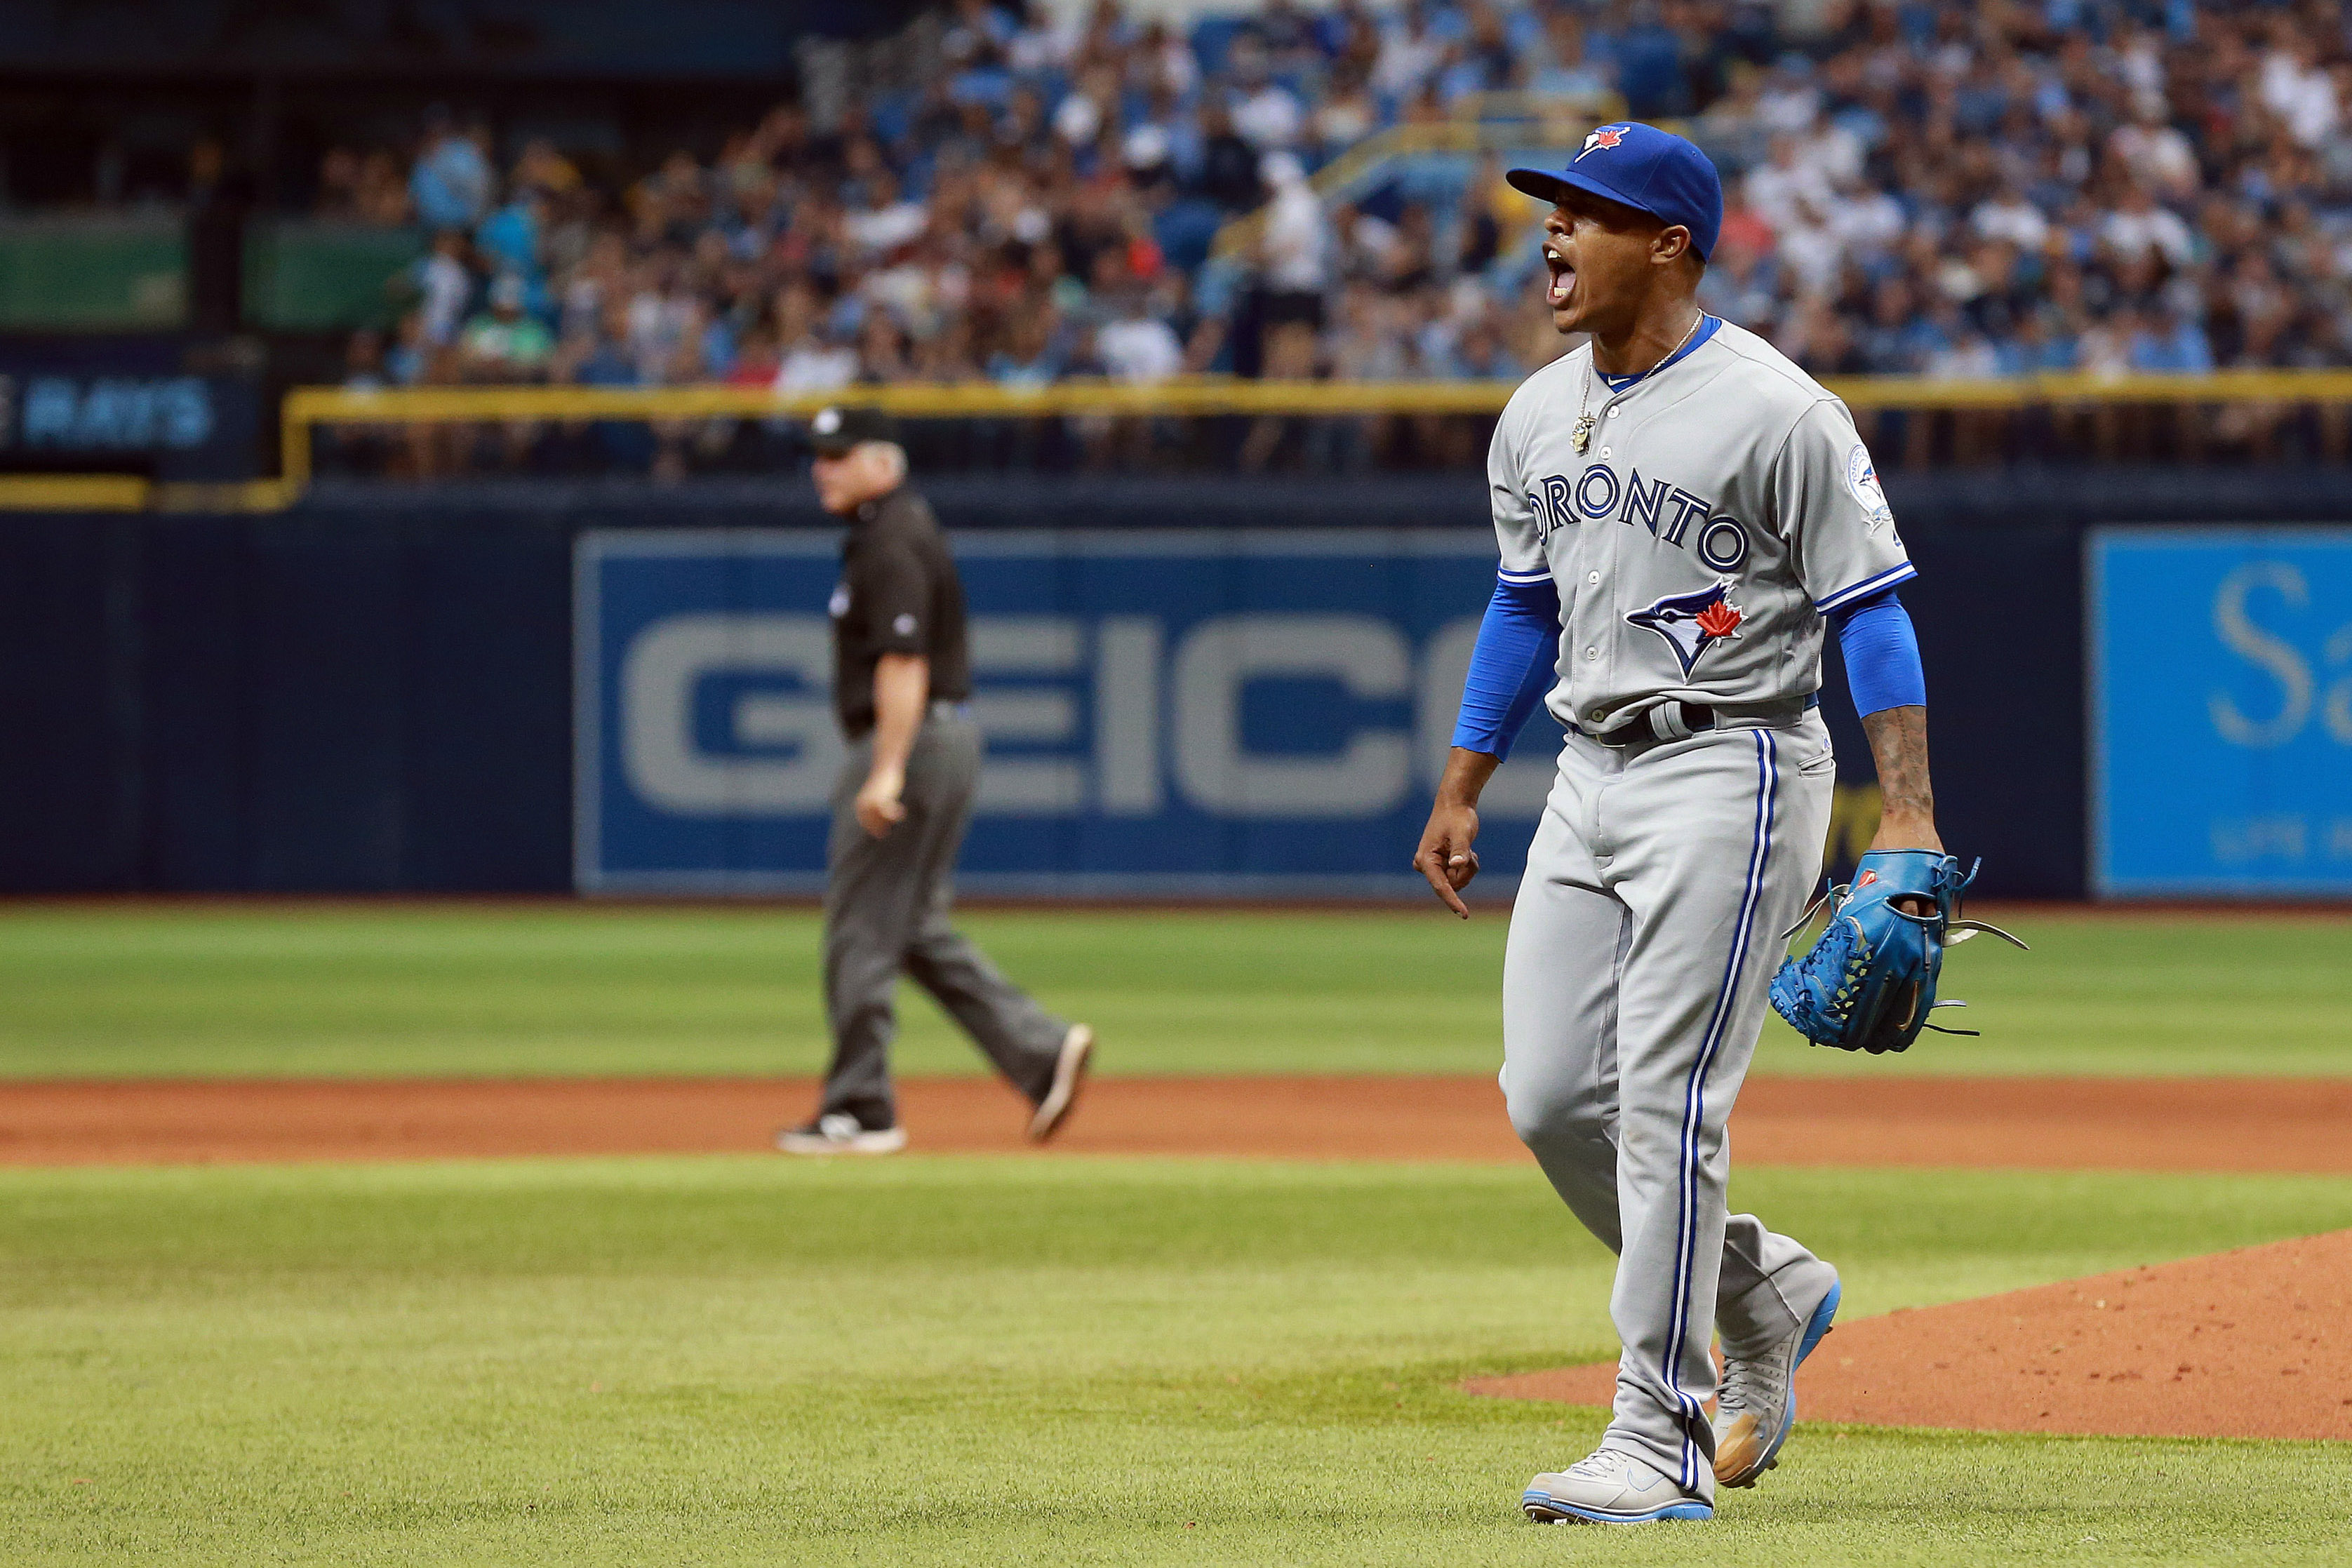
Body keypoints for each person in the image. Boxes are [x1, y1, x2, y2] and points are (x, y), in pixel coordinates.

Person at [1412, 123, 1939, 1525]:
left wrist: (1907, 818)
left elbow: (1867, 612)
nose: (1551, 235)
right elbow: (1526, 599)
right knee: (1548, 1097)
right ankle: (1767, 1289)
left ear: (1670, 244)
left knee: (1665, 1103)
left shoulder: (1777, 411)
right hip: (1589, 770)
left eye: (1585, 213)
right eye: (1549, 211)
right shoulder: (1535, 413)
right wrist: (1466, 776)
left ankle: (1657, 1432)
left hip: (1739, 765)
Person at [779, 406, 1096, 1155]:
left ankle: (861, 1107)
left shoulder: (890, 540)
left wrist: (886, 770)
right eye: (818, 455)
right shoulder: (893, 529)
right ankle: (1040, 1051)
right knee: (911, 926)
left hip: (911, 744)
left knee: (860, 925)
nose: (822, 467)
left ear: (883, 464)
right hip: (941, 739)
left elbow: (903, 662)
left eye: (839, 454)